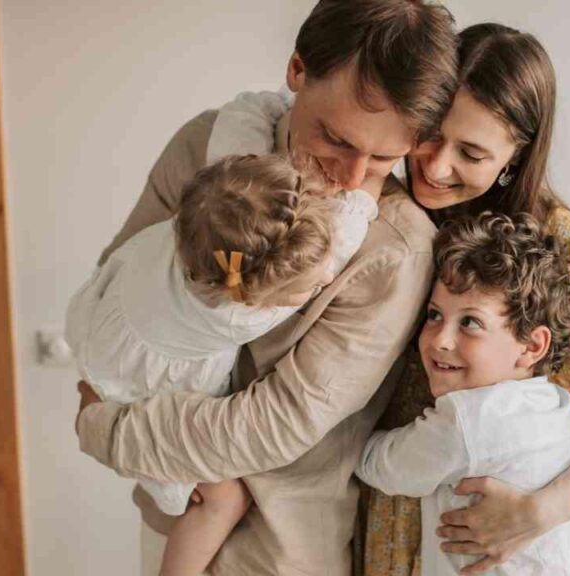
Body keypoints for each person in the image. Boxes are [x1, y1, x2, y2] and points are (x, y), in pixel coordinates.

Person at [74, 1, 459, 574]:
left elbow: (277, 424)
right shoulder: (203, 147)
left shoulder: (396, 250)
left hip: (277, 553)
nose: (351, 178)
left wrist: (103, 428)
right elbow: (121, 284)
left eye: (384, 157)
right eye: (335, 138)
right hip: (167, 519)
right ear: (297, 70)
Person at [361, 23, 570, 575]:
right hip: (373, 518)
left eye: (471, 153)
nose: (436, 165)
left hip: (479, 540)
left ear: (514, 157)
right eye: (430, 134)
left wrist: (535, 515)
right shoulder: (382, 210)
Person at [67, 144, 382, 574]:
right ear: (252, 295)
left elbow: (241, 127)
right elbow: (344, 242)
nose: (328, 277)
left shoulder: (197, 222)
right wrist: (367, 191)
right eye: (309, 289)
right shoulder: (235, 314)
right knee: (223, 497)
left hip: (103, 332)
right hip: (133, 381)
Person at [356, 212, 570, 575]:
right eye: (434, 315)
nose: (440, 340)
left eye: (470, 322)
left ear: (532, 346)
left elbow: (384, 467)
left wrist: (350, 429)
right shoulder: (556, 404)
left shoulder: (470, 418)